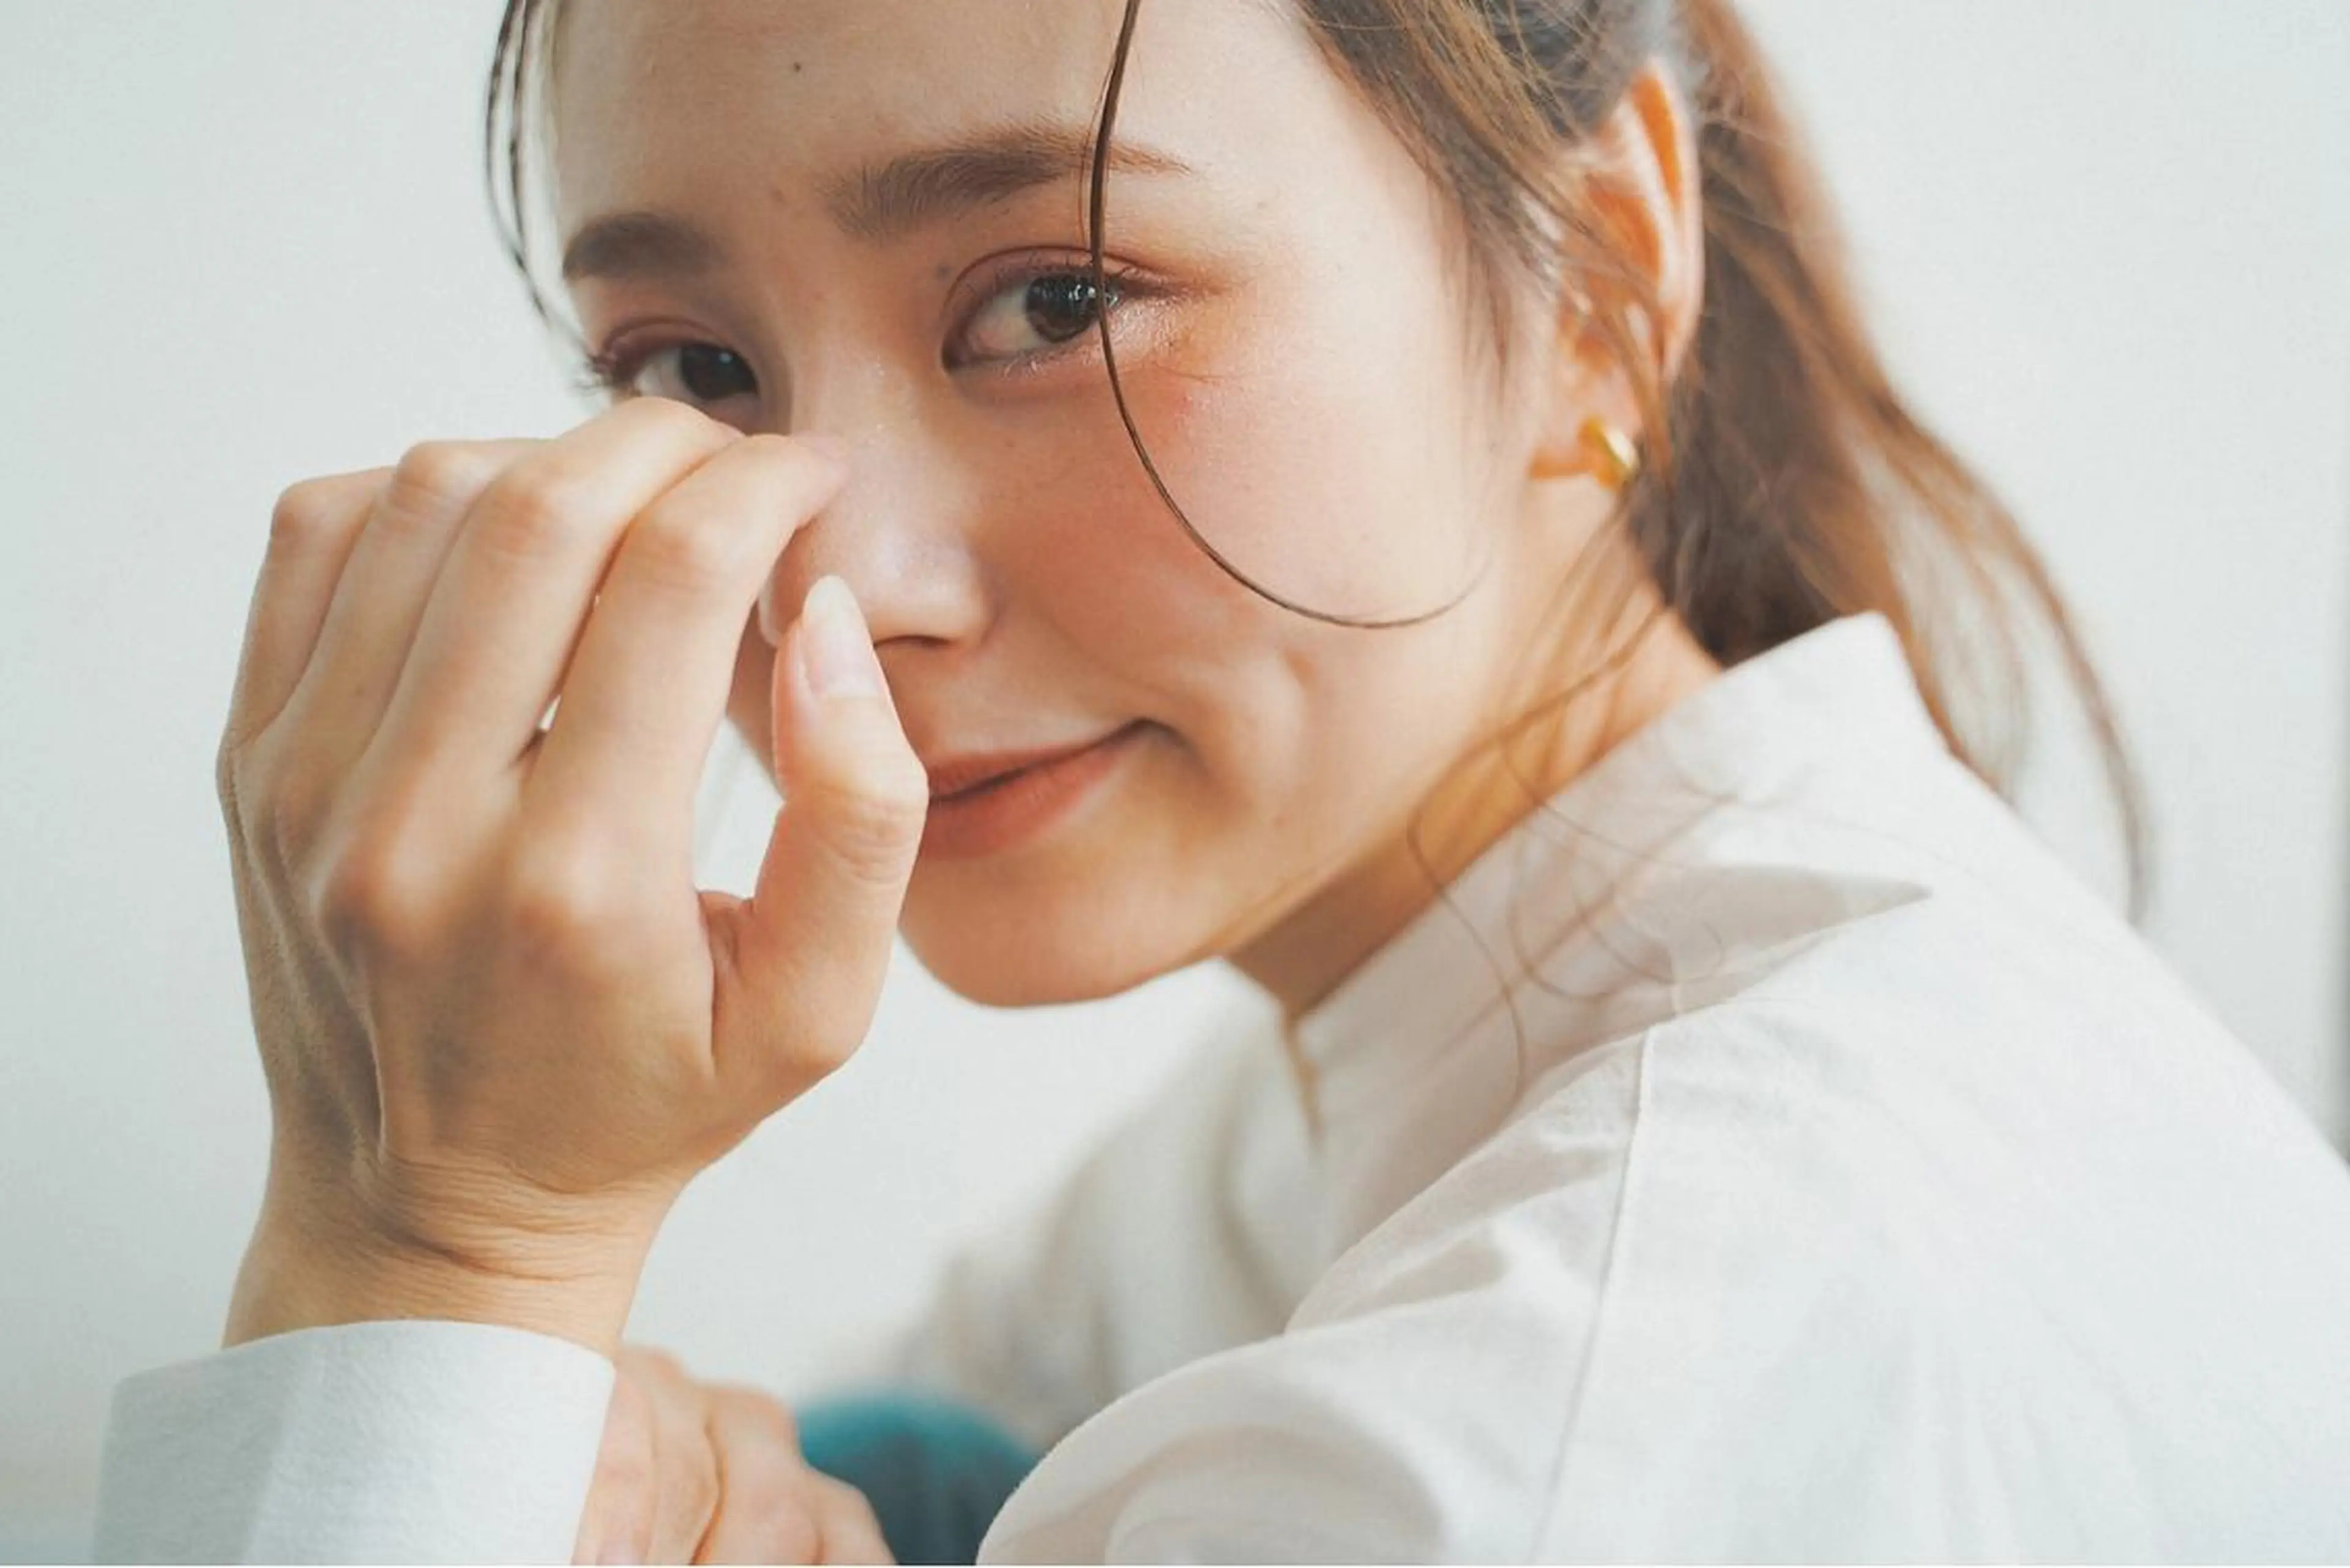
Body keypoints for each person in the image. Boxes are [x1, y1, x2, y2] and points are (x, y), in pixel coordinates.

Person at [90, 0, 2350, 1560]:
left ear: (1601, 276)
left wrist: (430, 1256)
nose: (846, 585)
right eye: (696, 366)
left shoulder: (1578, 1396)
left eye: (1060, 299)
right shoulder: (1296, 1132)